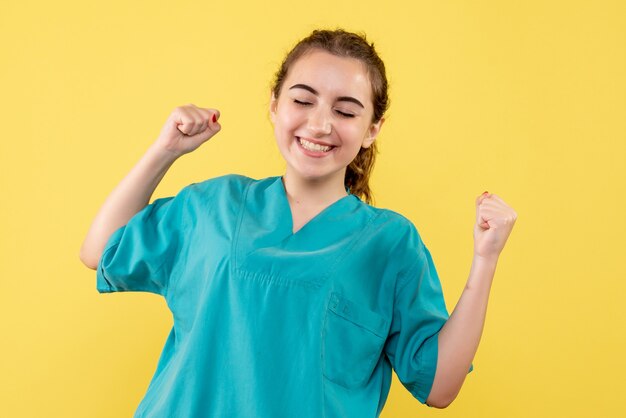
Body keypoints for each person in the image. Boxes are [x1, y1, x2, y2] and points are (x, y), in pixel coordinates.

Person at [80, 28, 517, 418]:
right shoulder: (213, 206)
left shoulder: (389, 244)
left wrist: (486, 258)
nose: (320, 123)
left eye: (346, 111)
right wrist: (165, 150)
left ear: (372, 129)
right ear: (274, 105)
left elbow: (440, 387)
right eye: (302, 100)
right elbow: (100, 251)